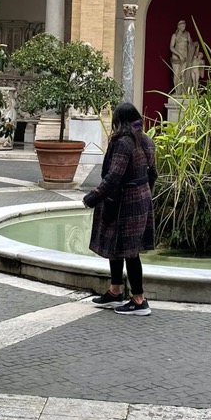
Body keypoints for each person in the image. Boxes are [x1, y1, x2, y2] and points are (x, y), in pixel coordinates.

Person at [82, 101, 157, 316]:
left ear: (119, 121)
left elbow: (114, 175)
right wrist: (146, 193)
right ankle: (115, 291)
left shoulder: (124, 143)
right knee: (118, 247)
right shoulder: (146, 140)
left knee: (130, 252)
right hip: (139, 197)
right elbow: (153, 173)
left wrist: (92, 198)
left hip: (124, 201)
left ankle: (139, 300)